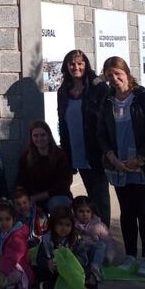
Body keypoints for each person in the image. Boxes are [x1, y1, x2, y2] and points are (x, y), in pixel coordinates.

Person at [97, 56, 145, 278]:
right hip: (118, 165)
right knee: (127, 212)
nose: (114, 78)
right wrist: (111, 156)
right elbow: (101, 133)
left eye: (117, 74)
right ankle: (130, 256)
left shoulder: (143, 97)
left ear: (127, 73)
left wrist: (139, 159)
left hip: (143, 165)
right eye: (109, 75)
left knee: (144, 211)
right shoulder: (108, 99)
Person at [58, 49, 112, 226]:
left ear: (86, 65)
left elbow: (107, 121)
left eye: (80, 63)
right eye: (72, 64)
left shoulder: (98, 88)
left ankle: (104, 235)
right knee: (91, 195)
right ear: (67, 66)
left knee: (101, 197)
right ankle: (92, 233)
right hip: (77, 150)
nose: (76, 67)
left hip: (96, 151)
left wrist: (107, 149)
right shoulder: (63, 91)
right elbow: (63, 123)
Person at [15, 120, 74, 213]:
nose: (39, 139)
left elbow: (64, 186)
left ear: (48, 136)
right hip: (32, 198)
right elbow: (20, 181)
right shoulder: (26, 156)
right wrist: (22, 197)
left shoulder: (60, 155)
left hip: (56, 196)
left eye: (42, 135)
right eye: (35, 136)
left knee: (58, 204)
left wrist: (36, 197)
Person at [35, 206, 93, 289]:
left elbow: (83, 259)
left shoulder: (75, 240)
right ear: (53, 224)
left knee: (87, 272)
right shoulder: (47, 240)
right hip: (54, 270)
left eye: (68, 225)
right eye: (60, 224)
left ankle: (55, 286)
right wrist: (48, 263)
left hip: (71, 270)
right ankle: (52, 285)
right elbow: (39, 258)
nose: (64, 228)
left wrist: (71, 261)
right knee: (38, 271)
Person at [73, 195, 117, 280]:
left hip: (91, 253)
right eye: (81, 211)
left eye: (88, 211)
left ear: (92, 212)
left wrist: (109, 257)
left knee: (101, 244)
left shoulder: (98, 225)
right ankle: (80, 266)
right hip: (78, 252)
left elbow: (109, 241)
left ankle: (95, 267)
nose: (84, 214)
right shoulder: (71, 223)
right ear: (75, 212)